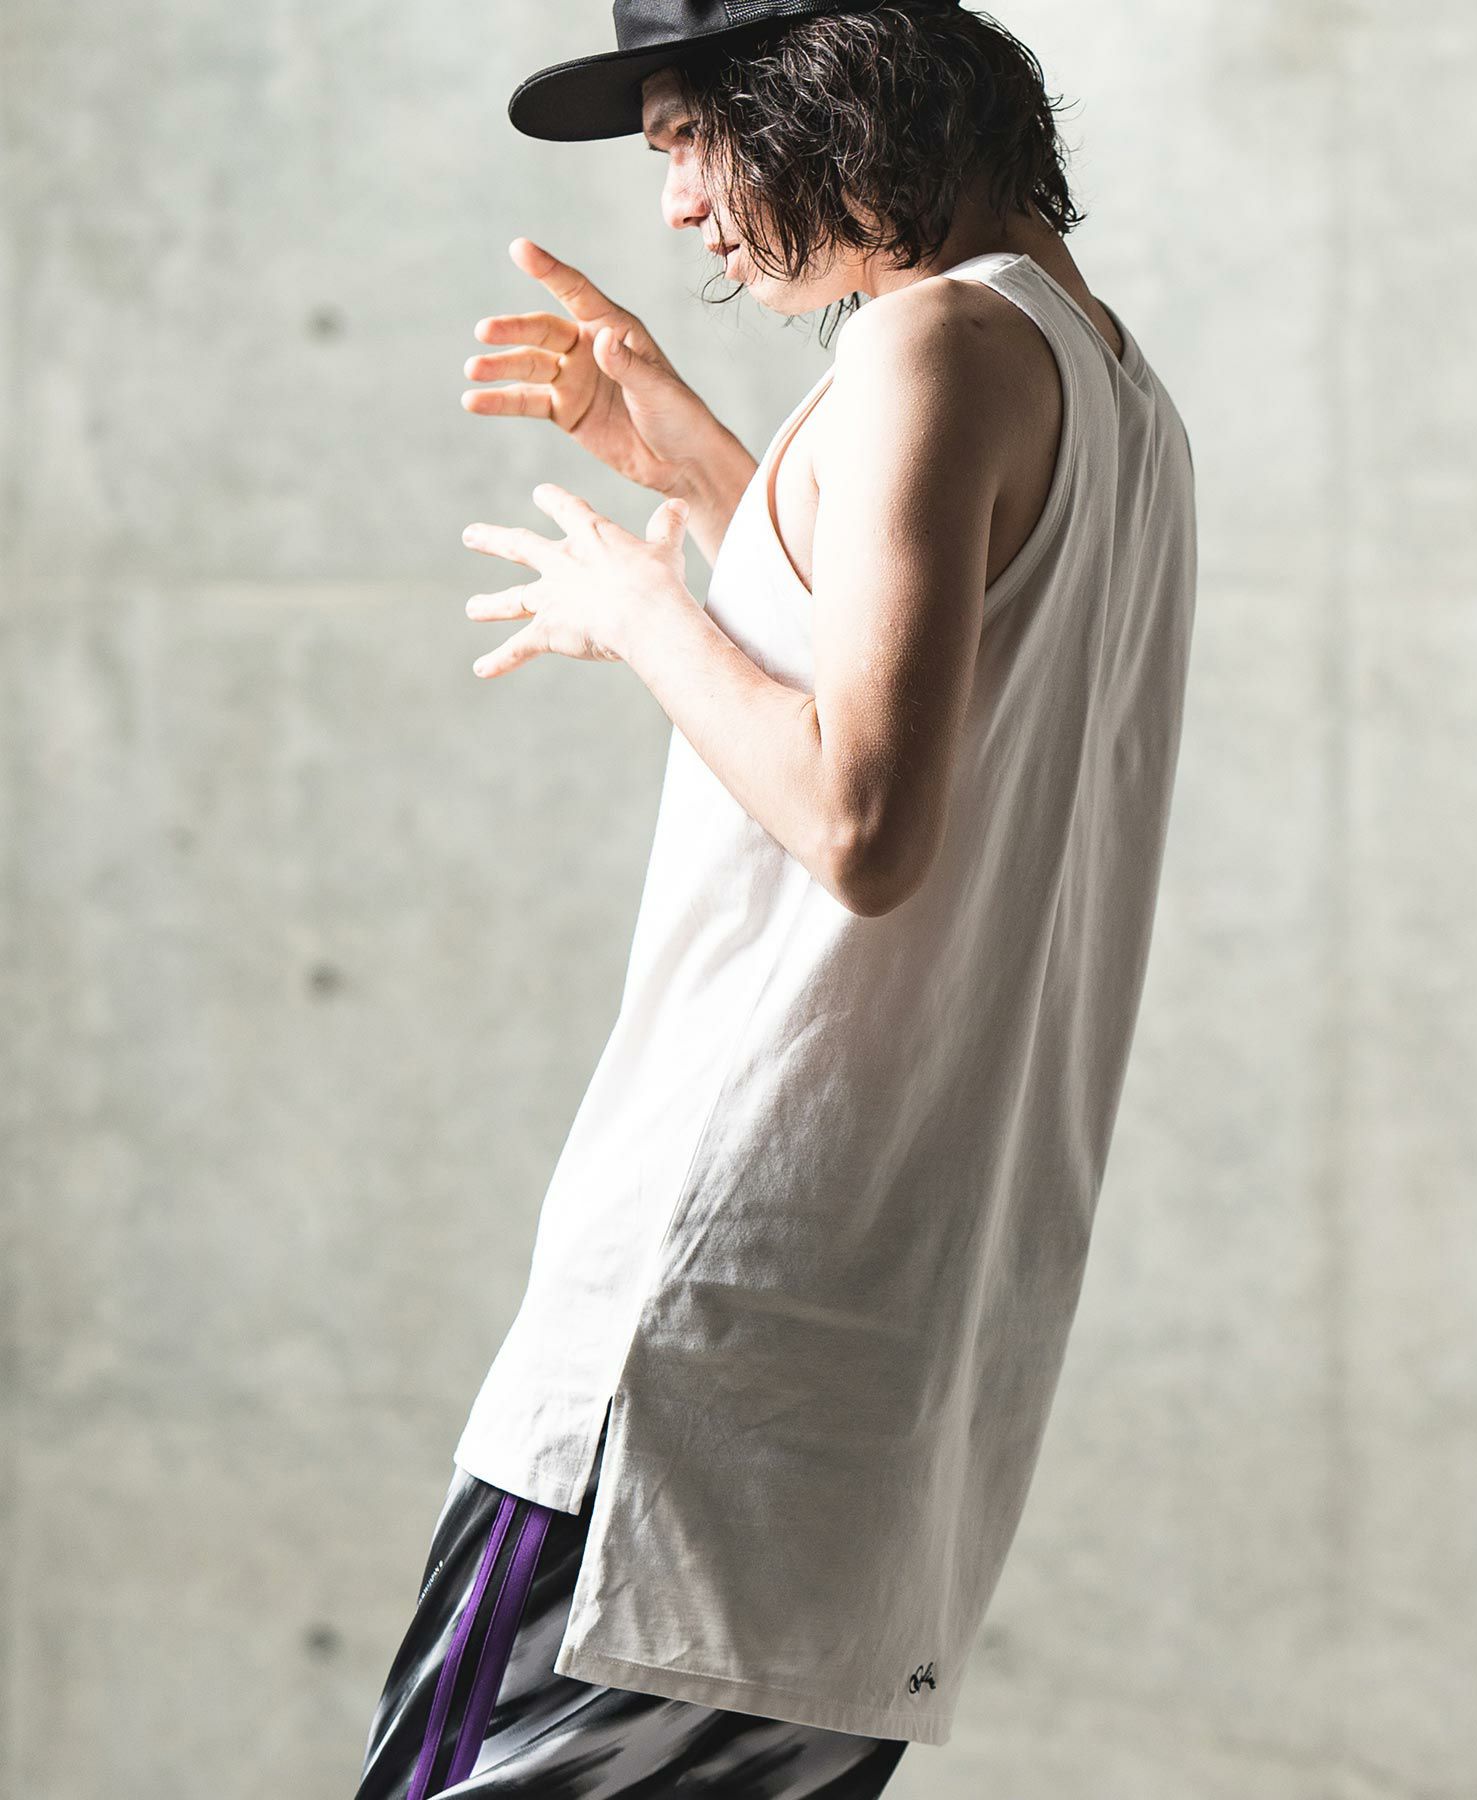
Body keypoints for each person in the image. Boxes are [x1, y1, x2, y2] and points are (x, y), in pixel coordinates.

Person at [354, 1, 1197, 1793]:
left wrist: (641, 607)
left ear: (826, 87)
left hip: (688, 1339)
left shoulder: (926, 346)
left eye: (685, 135)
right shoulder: (1106, 378)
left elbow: (865, 819)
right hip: (882, 1363)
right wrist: (700, 467)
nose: (675, 203)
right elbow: (917, 676)